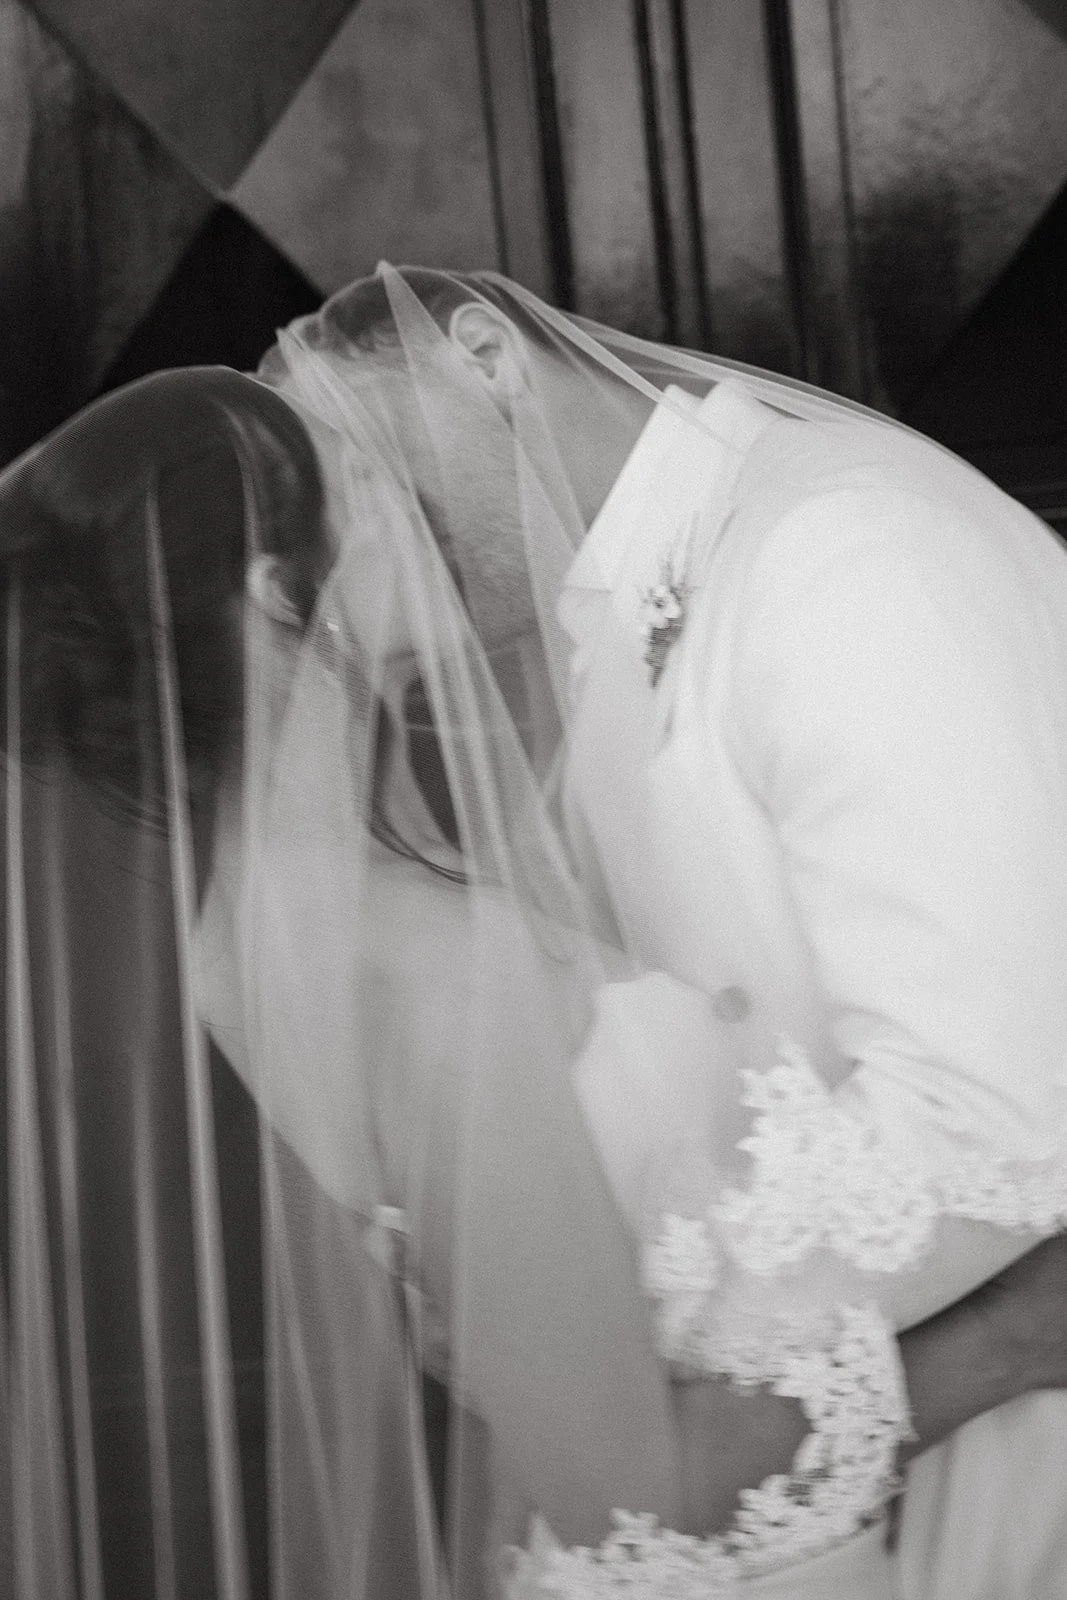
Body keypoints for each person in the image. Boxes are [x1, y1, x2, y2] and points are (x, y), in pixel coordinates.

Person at [1, 329, 1065, 1600]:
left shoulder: (247, 939)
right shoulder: (437, 964)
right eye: (361, 477)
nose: (411, 501)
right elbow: (636, 1495)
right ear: (285, 593)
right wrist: (1003, 1342)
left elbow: (557, 1312)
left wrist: (525, 1321)